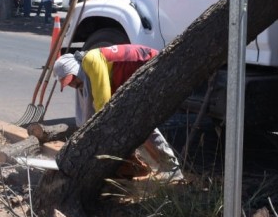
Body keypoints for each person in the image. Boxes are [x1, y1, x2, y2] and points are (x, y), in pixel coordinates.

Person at [53, 45, 183, 180]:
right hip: (138, 75)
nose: (73, 85)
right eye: (69, 84)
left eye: (72, 80)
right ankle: (136, 163)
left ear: (75, 70)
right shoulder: (88, 66)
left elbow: (103, 105)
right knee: (126, 120)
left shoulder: (91, 60)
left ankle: (171, 170)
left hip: (155, 67)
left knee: (138, 121)